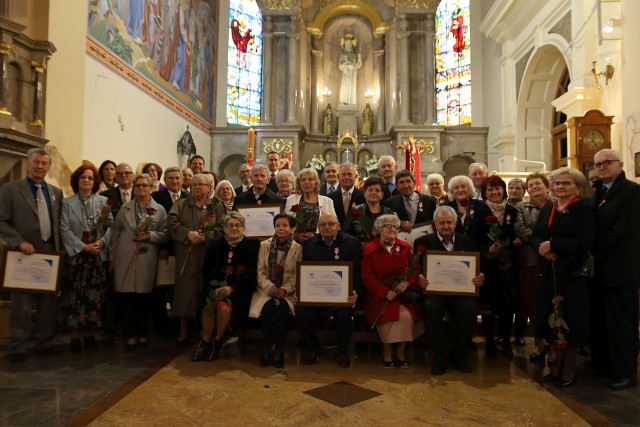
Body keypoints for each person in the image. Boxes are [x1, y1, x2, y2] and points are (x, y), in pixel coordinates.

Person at [530, 167, 596, 387]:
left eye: (566, 183)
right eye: (557, 183)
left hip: (571, 275)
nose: (560, 187)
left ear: (577, 186)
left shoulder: (584, 208)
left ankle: (568, 368)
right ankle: (553, 364)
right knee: (549, 318)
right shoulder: (549, 207)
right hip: (548, 272)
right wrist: (542, 247)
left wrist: (555, 245)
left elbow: (586, 241)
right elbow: (536, 234)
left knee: (569, 319)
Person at [0, 148, 63, 363]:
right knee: (22, 304)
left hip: (49, 254)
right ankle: (18, 345)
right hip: (23, 254)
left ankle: (44, 341)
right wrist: (18, 242)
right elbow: (2, 220)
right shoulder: (10, 190)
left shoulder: (56, 192)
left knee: (48, 303)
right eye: (36, 162)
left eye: (44, 163)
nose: (40, 167)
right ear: (28, 164)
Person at [414, 206, 485, 375]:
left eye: (449, 222)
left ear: (455, 223)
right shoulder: (422, 242)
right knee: (430, 308)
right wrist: (419, 278)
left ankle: (459, 355)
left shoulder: (467, 241)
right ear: (435, 224)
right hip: (435, 291)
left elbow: (477, 268)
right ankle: (441, 357)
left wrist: (479, 276)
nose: (446, 226)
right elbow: (415, 268)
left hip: (461, 291)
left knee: (470, 309)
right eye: (442, 223)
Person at [590, 149, 640, 389]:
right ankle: (605, 365)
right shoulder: (599, 191)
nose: (601, 167)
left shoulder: (632, 192)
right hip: (600, 269)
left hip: (621, 269)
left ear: (619, 164)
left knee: (621, 321)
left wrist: (593, 249)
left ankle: (626, 371)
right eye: (598, 164)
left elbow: (623, 231)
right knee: (602, 320)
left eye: (606, 163)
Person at [111, 173, 169, 350]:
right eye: (138, 186)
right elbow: (115, 233)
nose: (141, 188)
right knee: (126, 297)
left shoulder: (159, 210)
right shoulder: (125, 208)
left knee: (144, 298)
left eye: (145, 185)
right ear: (133, 188)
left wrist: (150, 235)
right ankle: (130, 335)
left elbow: (166, 233)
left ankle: (143, 334)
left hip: (146, 257)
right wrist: (112, 257)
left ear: (151, 188)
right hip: (125, 256)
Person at [191, 212, 259, 362]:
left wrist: (231, 288)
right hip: (214, 288)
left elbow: (251, 274)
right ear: (224, 229)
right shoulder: (216, 245)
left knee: (223, 308)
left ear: (243, 228)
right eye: (230, 225)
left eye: (237, 225)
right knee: (209, 305)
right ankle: (205, 341)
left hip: (238, 291)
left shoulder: (251, 247)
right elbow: (206, 270)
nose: (234, 228)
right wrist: (214, 287)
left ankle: (218, 340)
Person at [168, 173, 226, 347]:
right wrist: (188, 234)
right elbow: (171, 223)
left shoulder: (217, 205)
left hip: (208, 254)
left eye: (201, 185)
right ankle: (184, 330)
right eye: (194, 185)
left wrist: (206, 236)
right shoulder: (182, 204)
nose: (197, 188)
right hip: (186, 252)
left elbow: (223, 226)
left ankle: (205, 330)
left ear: (209, 188)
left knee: (205, 288)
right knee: (184, 291)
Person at [297, 213, 361, 367]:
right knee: (302, 314)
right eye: (323, 224)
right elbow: (305, 272)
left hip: (341, 296)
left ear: (338, 226)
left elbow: (358, 271)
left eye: (331, 224)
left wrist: (356, 293)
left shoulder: (352, 243)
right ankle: (314, 348)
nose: (327, 227)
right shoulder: (310, 244)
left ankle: (343, 351)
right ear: (318, 227)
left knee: (344, 317)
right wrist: (300, 293)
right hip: (315, 295)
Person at [60, 164, 112, 353]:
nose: (87, 181)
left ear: (95, 182)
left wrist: (101, 242)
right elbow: (64, 229)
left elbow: (110, 227)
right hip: (77, 258)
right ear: (77, 181)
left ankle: (90, 334)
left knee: (93, 297)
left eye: (90, 178)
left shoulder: (104, 202)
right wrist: (83, 247)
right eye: (83, 178)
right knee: (73, 297)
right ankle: (74, 337)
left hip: (96, 257)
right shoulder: (67, 203)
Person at [362, 214, 423, 368]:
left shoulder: (405, 247)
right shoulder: (370, 249)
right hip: (378, 295)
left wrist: (406, 282)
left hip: (402, 294)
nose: (392, 229)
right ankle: (387, 352)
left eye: (395, 226)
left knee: (406, 316)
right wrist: (384, 292)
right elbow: (367, 276)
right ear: (379, 229)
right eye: (387, 225)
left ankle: (401, 352)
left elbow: (414, 269)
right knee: (387, 316)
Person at [249, 213, 302, 368]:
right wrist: (268, 286)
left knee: (280, 311)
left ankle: (279, 349)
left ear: (292, 229)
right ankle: (265, 349)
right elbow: (260, 271)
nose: (281, 228)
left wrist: (285, 289)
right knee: (266, 311)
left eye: (285, 225)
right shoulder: (264, 245)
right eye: (278, 225)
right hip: (265, 291)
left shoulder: (298, 248)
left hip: (287, 292)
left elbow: (297, 274)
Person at [479, 175, 520, 359]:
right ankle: (489, 341)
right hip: (487, 267)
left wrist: (516, 242)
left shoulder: (512, 211)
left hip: (508, 267)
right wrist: (488, 248)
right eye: (490, 189)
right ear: (484, 192)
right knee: (488, 306)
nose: (495, 192)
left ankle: (506, 341)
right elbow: (473, 238)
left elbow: (517, 234)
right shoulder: (478, 211)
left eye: (498, 188)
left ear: (503, 190)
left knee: (507, 305)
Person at [514, 172, 552, 363]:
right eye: (531, 185)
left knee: (553, 304)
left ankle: (554, 347)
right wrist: (541, 244)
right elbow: (520, 229)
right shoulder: (522, 207)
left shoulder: (555, 205)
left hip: (554, 260)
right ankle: (538, 346)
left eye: (538, 183)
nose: (534, 187)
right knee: (533, 305)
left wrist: (552, 244)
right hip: (530, 260)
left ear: (547, 187)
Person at [151, 166, 188, 338]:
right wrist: (163, 248)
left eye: (177, 178)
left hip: (184, 249)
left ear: (182, 180)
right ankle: (162, 326)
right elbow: (156, 225)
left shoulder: (189, 198)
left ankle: (179, 325)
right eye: (171, 178)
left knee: (180, 290)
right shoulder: (156, 199)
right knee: (161, 290)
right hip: (164, 251)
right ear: (165, 181)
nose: (174, 181)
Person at [284, 168, 336, 245]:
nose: (307, 182)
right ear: (299, 183)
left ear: (316, 183)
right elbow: (285, 222)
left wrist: (317, 236)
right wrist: (295, 235)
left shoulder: (327, 201)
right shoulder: (291, 200)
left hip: (320, 244)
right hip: (296, 244)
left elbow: (334, 225)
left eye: (310, 179)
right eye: (303, 180)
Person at [344, 176, 395, 243]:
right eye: (370, 190)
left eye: (377, 190)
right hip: (360, 251)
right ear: (365, 193)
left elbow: (394, 234)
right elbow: (346, 234)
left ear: (382, 195)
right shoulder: (354, 211)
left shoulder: (389, 213)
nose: (373, 193)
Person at [446, 175, 491, 243]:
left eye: (463, 186)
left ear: (469, 189)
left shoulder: (481, 205)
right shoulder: (446, 207)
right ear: (452, 192)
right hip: (453, 248)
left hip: (477, 248)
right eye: (456, 187)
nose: (460, 190)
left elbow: (488, 229)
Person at [328, 162, 365, 227]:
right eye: (344, 174)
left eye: (350, 174)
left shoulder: (364, 196)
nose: (346, 177)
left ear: (356, 177)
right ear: (338, 177)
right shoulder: (330, 198)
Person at [338, 35, 362, 105]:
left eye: (350, 44)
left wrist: (359, 58)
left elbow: (358, 66)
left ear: (352, 45)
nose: (348, 45)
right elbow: (339, 66)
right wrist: (347, 65)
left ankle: (351, 102)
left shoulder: (354, 56)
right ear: (345, 45)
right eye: (347, 44)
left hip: (352, 75)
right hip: (346, 74)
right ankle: (343, 101)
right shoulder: (342, 55)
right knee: (344, 87)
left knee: (351, 89)